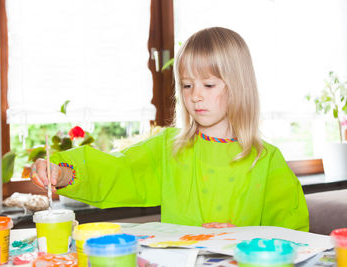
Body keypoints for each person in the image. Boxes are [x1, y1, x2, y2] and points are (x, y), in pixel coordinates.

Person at [31, 27, 309, 231]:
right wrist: (63, 172)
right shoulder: (169, 148)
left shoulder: (268, 161)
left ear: (239, 87)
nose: (195, 95)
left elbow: (292, 236)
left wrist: (244, 240)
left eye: (208, 85)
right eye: (187, 85)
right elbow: (118, 170)